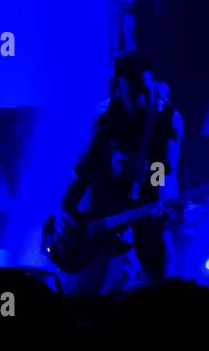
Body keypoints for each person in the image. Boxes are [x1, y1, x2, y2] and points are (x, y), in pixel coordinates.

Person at [58, 50, 183, 291]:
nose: (141, 100)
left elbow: (164, 167)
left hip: (148, 212)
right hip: (108, 215)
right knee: (104, 288)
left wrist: (156, 189)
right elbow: (83, 168)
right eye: (133, 92)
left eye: (145, 91)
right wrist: (65, 207)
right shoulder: (106, 117)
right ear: (119, 87)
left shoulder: (167, 119)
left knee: (163, 287)